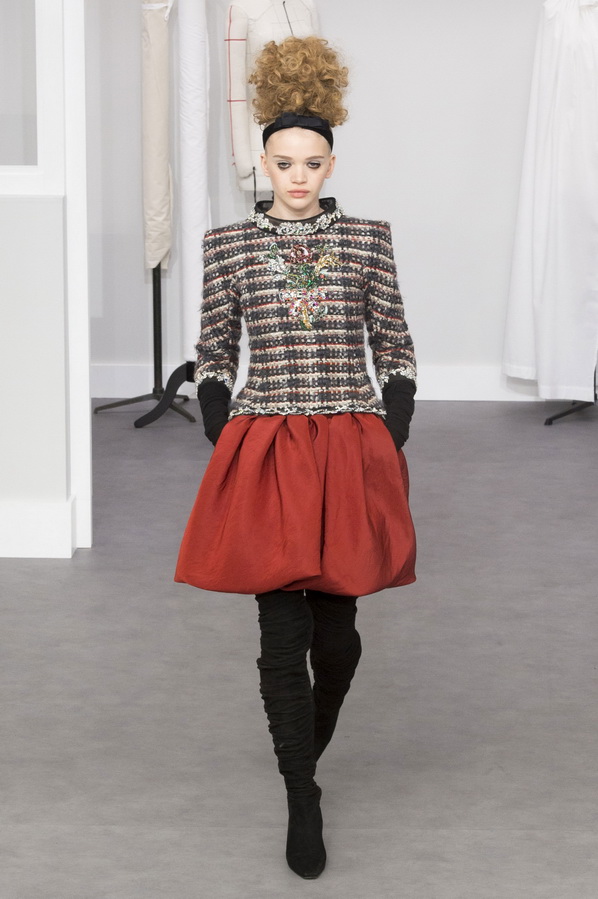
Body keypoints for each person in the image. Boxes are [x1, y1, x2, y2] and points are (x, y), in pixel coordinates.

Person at [175, 35, 417, 880]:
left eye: (313, 163)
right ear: (264, 164)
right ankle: (301, 795)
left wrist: (393, 421)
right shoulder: (228, 247)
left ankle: (301, 755)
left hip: (348, 447)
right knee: (282, 636)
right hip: (268, 448)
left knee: (338, 639)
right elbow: (213, 349)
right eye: (284, 163)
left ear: (331, 162)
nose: (299, 177)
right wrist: (219, 420)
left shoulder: (370, 240)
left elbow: (395, 342)